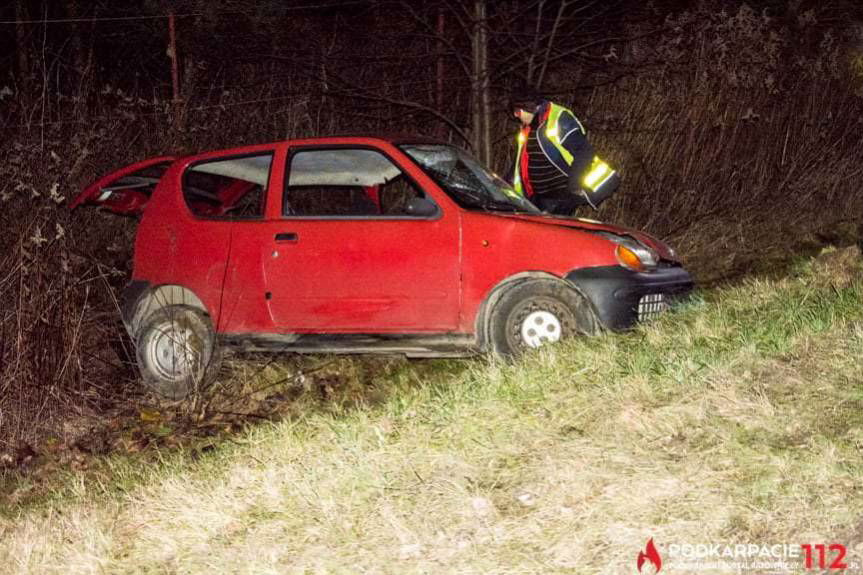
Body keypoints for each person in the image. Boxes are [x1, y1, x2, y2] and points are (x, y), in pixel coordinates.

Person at [510, 92, 619, 216]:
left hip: (559, 196)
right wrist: (500, 184)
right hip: (537, 197)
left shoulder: (558, 118)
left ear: (528, 107)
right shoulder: (527, 130)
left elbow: (584, 152)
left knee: (551, 233)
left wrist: (573, 185)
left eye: (517, 112)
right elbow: (520, 164)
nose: (516, 116)